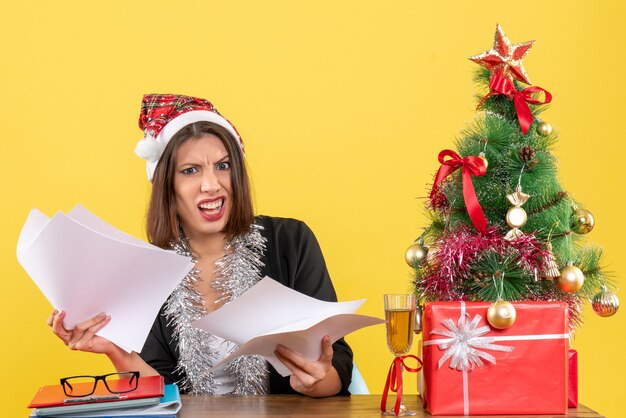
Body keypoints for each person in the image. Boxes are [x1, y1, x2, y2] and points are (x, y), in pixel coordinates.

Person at [48, 94, 353, 397]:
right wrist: (116, 351)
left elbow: (336, 359)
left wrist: (316, 381)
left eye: (223, 166)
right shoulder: (148, 273)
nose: (212, 184)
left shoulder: (291, 242)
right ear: (167, 185)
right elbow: (163, 394)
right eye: (190, 170)